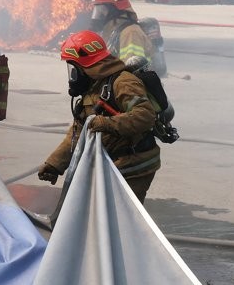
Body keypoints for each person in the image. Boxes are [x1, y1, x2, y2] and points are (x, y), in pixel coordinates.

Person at [38, 30, 160, 203]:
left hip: (135, 164)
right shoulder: (94, 87)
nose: (73, 75)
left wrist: (106, 123)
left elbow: (145, 116)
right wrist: (55, 164)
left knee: (121, 218)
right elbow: (79, 131)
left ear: (87, 65)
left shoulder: (123, 82)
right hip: (113, 162)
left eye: (74, 68)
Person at [89, 0, 155, 66]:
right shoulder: (112, 31)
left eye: (101, 9)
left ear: (114, 10)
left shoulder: (131, 33)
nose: (98, 15)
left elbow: (133, 70)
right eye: (96, 10)